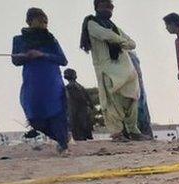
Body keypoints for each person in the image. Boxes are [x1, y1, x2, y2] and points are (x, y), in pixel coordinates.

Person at [80, 0, 143, 141]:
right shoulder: (92, 24)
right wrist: (122, 42)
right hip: (107, 69)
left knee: (132, 98)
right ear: (97, 7)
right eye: (106, 6)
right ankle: (117, 133)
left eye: (111, 6)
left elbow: (132, 43)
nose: (109, 9)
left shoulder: (114, 27)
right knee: (112, 102)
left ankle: (133, 130)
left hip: (126, 70)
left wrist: (121, 41)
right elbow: (106, 35)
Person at [12, 8, 69, 153]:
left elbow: (63, 60)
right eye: (40, 20)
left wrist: (42, 55)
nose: (44, 24)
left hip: (52, 83)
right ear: (29, 21)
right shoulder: (19, 39)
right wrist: (26, 56)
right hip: (33, 84)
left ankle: (63, 143)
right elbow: (15, 60)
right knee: (34, 117)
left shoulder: (50, 39)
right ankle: (61, 138)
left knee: (56, 113)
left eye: (46, 21)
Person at [64, 68, 94, 141]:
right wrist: (89, 106)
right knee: (80, 126)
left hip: (76, 111)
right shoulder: (77, 86)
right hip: (78, 111)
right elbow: (85, 98)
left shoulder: (70, 87)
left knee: (78, 127)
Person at [129, 52, 154, 138]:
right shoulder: (130, 57)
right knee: (140, 111)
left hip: (137, 88)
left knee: (141, 111)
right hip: (135, 89)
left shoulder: (130, 57)